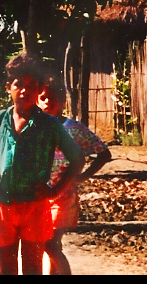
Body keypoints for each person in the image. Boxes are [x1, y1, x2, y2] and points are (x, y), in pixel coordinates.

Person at [0, 53, 84, 275]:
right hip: (2, 204)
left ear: (39, 90)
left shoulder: (49, 125)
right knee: (6, 269)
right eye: (19, 84)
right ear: (9, 87)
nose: (24, 91)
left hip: (35, 206)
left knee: (32, 268)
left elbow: (77, 159)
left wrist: (55, 189)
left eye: (31, 85)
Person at [38, 74, 112, 275]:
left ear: (62, 102)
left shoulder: (73, 129)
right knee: (51, 245)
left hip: (64, 197)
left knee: (50, 244)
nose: (47, 103)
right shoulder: (36, 128)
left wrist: (84, 175)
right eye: (43, 98)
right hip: (41, 196)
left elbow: (103, 153)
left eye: (52, 99)